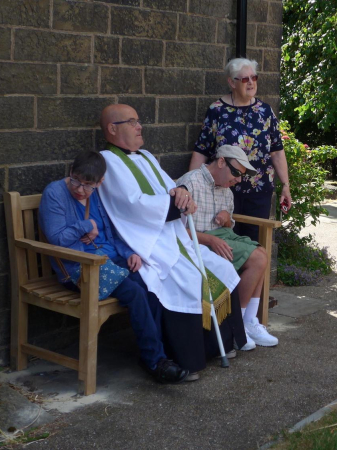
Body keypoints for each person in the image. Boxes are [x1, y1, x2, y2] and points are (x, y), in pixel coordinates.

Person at [97, 104, 247, 379]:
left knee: (221, 269)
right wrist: (174, 203)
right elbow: (132, 205)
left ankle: (218, 345)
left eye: (138, 120)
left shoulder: (145, 156)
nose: (139, 126)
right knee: (187, 277)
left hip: (174, 236)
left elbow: (171, 186)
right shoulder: (107, 161)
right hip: (147, 242)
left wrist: (182, 194)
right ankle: (187, 357)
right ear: (112, 128)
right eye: (132, 122)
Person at [39, 150, 188, 384]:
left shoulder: (96, 195)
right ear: (71, 172)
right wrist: (86, 224)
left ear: (100, 183)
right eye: (77, 181)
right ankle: (155, 361)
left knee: (152, 282)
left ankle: (161, 354)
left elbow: (112, 233)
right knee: (135, 292)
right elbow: (57, 238)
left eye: (88, 185)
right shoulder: (54, 193)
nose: (80, 190)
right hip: (81, 268)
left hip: (111, 261)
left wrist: (130, 253)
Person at [177, 145, 278, 348]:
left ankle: (249, 322)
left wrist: (225, 220)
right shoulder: (190, 183)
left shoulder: (226, 189)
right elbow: (175, 232)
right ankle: (237, 326)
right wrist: (209, 239)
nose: (238, 179)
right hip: (197, 242)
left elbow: (229, 225)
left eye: (241, 175)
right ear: (221, 162)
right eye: (236, 173)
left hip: (223, 236)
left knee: (262, 254)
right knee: (258, 258)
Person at [189, 57, 291, 242]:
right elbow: (202, 150)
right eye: (245, 79)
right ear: (231, 82)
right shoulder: (217, 110)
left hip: (259, 192)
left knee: (254, 244)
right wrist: (190, 187)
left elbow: (276, 151)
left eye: (254, 77)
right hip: (223, 191)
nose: (251, 82)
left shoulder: (265, 111)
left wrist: (285, 185)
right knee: (225, 242)